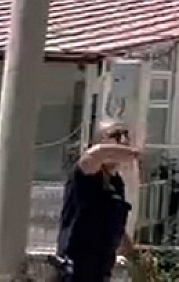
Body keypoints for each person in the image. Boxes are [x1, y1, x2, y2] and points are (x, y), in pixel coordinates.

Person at [56, 121, 142, 282]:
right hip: (76, 267)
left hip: (100, 267)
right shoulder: (85, 171)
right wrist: (133, 152)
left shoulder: (116, 182)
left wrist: (133, 254)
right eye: (115, 135)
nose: (122, 140)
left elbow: (112, 220)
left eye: (126, 135)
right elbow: (97, 154)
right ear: (98, 141)